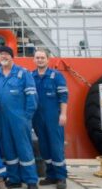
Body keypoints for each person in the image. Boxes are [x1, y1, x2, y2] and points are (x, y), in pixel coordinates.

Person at [0, 46, 38, 189]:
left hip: (20, 119)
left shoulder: (23, 73)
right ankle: (14, 178)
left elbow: (32, 96)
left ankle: (31, 180)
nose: (3, 57)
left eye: (6, 54)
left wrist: (26, 117)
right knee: (7, 149)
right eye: (1, 55)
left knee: (24, 149)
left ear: (12, 57)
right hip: (1, 119)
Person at [32, 49, 69, 189]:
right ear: (34, 60)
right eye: (37, 57)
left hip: (53, 117)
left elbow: (64, 97)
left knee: (56, 146)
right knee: (44, 147)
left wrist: (63, 114)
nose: (40, 60)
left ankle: (61, 177)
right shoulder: (30, 76)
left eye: (42, 57)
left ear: (48, 59)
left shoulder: (56, 76)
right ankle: (51, 175)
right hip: (37, 118)